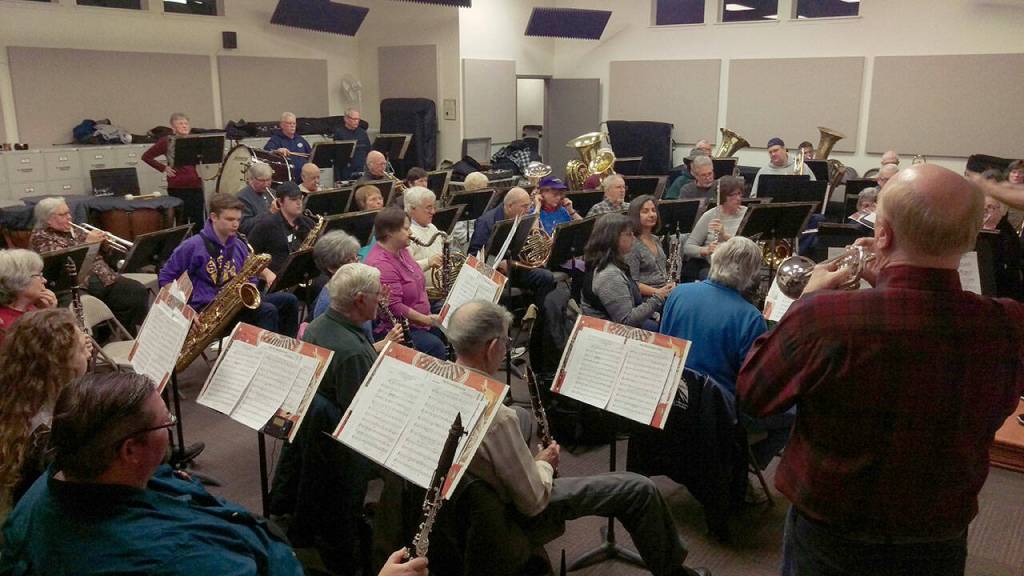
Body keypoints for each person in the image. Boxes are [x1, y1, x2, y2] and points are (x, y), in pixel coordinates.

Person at [738, 164, 1024, 576]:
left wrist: (803, 306)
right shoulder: (1007, 323)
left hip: (831, 538)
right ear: (971, 237)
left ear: (883, 234)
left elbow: (753, 396)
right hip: (939, 536)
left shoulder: (822, 317)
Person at [1, 372, 425, 576]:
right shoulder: (181, 560)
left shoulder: (60, 476)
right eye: (166, 425)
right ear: (129, 450)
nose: (172, 430)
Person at [448, 300, 707, 576]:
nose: (506, 349)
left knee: (521, 416)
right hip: (516, 506)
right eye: (505, 342)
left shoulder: (438, 378)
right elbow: (534, 502)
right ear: (491, 348)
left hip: (464, 494)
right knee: (639, 489)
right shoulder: (498, 420)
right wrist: (543, 464)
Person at [272, 263, 404, 574]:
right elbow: (364, 418)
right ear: (359, 300)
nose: (381, 300)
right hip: (344, 459)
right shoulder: (353, 353)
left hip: (316, 449)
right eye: (376, 295)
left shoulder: (317, 325)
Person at [661, 237, 791, 468]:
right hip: (721, 410)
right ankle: (743, 466)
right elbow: (752, 385)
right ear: (750, 274)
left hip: (675, 399)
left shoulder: (678, 293)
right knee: (794, 416)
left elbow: (664, 344)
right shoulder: (750, 317)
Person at [158, 194, 299, 338]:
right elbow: (165, 278)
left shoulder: (238, 244)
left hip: (234, 304)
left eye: (238, 219)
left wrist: (252, 284)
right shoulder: (192, 246)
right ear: (214, 217)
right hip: (206, 310)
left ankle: (287, 349)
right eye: (230, 219)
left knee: (289, 301)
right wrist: (184, 310)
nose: (236, 224)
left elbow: (250, 275)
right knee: (268, 311)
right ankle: (267, 354)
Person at [0, 309, 91, 526]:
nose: (88, 354)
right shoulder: (48, 436)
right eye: (80, 350)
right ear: (59, 367)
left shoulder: (17, 397)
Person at [30, 198, 148, 335]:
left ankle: (125, 334)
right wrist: (87, 243)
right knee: (82, 312)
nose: (69, 217)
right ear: (48, 219)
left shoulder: (74, 229)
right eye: (62, 215)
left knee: (136, 291)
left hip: (104, 277)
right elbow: (64, 262)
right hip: (75, 285)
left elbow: (103, 257)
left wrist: (104, 245)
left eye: (68, 213)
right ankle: (95, 345)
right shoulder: (40, 237)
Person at [363, 208, 447, 359]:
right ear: (389, 232)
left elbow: (415, 278)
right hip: (400, 329)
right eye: (406, 229)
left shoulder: (402, 250)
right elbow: (395, 307)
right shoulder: (381, 264)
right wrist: (427, 320)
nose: (411, 233)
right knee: (436, 347)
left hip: (421, 321)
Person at [582, 213, 663, 330]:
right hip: (609, 334)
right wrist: (658, 297)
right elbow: (626, 321)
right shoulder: (609, 275)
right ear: (613, 238)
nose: (633, 238)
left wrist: (653, 313)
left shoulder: (611, 264)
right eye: (629, 234)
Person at [141, 112, 205, 226]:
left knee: (198, 220)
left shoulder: (195, 140)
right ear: (173, 127)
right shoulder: (167, 141)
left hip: (196, 185)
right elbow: (146, 157)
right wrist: (163, 168)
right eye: (180, 124)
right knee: (182, 220)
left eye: (186, 123)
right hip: (177, 186)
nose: (184, 126)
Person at [683, 176, 747, 281]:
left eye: (739, 194)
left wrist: (725, 236)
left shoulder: (746, 213)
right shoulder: (710, 215)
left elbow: (748, 245)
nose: (738, 198)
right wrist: (706, 250)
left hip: (741, 264)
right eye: (733, 195)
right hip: (715, 266)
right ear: (722, 197)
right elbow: (688, 247)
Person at [249, 182, 314, 276]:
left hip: (303, 275)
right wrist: (267, 274)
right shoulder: (266, 225)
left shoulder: (308, 223)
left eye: (300, 198)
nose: (299, 203)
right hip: (276, 279)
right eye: (293, 199)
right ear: (280, 202)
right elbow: (249, 256)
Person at [0, 249, 57, 345]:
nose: (45, 280)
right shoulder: (6, 325)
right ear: (19, 279)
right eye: (39, 275)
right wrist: (49, 316)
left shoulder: (34, 308)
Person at [625, 195, 674, 297]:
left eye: (653, 210)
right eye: (645, 211)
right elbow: (632, 283)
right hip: (648, 298)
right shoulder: (632, 245)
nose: (652, 214)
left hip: (664, 291)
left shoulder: (656, 239)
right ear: (635, 216)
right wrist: (658, 292)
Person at [404, 187, 445, 305]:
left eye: (433, 207)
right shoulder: (407, 233)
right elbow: (404, 269)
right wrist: (428, 262)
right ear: (412, 209)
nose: (433, 212)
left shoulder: (432, 227)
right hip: (422, 298)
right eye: (428, 208)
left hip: (439, 293)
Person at [310, 230, 362, 321]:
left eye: (356, 257)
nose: (358, 264)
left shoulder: (353, 286)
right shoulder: (329, 304)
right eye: (349, 260)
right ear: (331, 268)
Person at [750, 137, 815, 198]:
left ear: (784, 150)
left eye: (776, 150)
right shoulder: (763, 171)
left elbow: (813, 189)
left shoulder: (801, 166)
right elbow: (754, 196)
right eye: (770, 152)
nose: (773, 154)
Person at [264, 112, 310, 181]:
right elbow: (266, 152)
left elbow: (309, 155)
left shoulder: (300, 139)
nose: (292, 126)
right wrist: (277, 151)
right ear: (282, 125)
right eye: (289, 123)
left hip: (303, 178)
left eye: (294, 123)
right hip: (287, 178)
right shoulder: (276, 139)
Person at [237, 162, 278, 235]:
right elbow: (244, 226)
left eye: (268, 180)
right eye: (261, 180)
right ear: (251, 179)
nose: (266, 184)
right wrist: (270, 213)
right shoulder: (242, 197)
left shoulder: (273, 192)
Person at [333, 108, 371, 181]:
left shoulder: (362, 133)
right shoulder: (339, 133)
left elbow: (368, 150)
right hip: (346, 170)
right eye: (354, 119)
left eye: (358, 119)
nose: (356, 122)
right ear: (346, 119)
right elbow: (338, 156)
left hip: (361, 168)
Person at [353, 185, 385, 261]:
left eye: (380, 198)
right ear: (362, 203)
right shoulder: (361, 221)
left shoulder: (384, 214)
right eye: (373, 199)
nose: (378, 202)